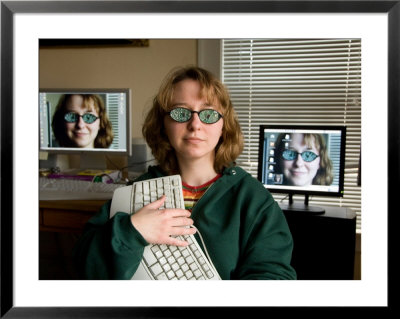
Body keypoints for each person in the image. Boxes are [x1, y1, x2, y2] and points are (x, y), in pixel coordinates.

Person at [73, 66, 296, 280]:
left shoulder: (252, 199)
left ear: (223, 125)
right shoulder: (135, 192)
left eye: (208, 114)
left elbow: (273, 276)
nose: (195, 124)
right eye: (181, 113)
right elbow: (86, 270)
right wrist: (132, 230)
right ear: (163, 124)